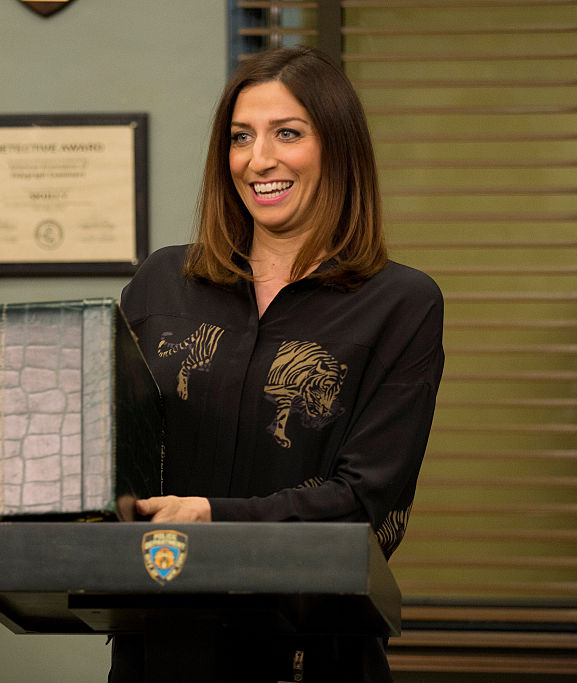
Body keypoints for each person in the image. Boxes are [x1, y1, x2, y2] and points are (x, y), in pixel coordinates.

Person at [111, 46, 445, 682]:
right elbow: (119, 457)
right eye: (241, 137)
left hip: (316, 655)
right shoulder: (162, 281)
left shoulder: (402, 303)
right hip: (161, 649)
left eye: (287, 133)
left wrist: (211, 517)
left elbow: (365, 500)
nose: (258, 159)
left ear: (338, 148)